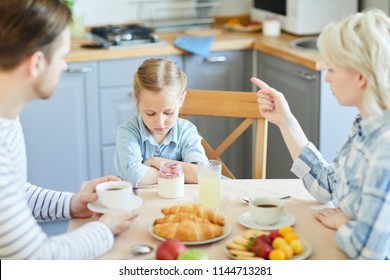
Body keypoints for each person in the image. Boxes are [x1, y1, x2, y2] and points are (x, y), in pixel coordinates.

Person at [0, 0, 137, 259]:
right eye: (62, 57)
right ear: (37, 63)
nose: (63, 66)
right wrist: (104, 229)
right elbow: (38, 261)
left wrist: (73, 203)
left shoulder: (7, 118)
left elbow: (13, 192)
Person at [251, 9, 390, 260]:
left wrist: (341, 222)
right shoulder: (364, 125)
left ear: (359, 76)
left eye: (333, 69)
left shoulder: (384, 148)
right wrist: (285, 121)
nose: (327, 78)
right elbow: (326, 187)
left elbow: (368, 252)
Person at [114, 58, 208, 187]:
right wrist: (183, 171)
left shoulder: (186, 131)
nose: (160, 122)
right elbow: (135, 178)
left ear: (181, 99)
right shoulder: (128, 132)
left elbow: (201, 174)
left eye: (168, 112)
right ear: (136, 100)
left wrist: (157, 162)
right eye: (150, 113)